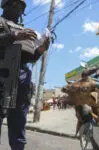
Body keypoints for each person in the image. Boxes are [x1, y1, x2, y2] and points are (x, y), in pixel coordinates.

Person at [0, 0, 50, 149]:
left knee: (18, 121)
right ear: (7, 5)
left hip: (21, 76)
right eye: (18, 5)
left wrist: (40, 50)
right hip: (2, 72)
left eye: (22, 7)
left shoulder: (25, 30)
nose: (20, 9)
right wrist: (14, 35)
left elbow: (29, 57)